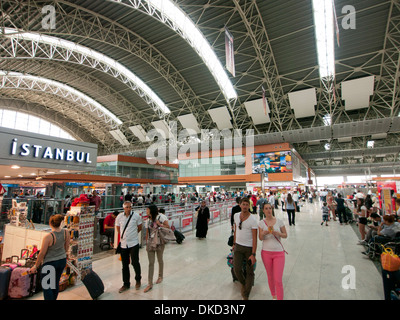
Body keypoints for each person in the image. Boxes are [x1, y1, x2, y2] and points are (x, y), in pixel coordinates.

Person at [29, 214, 69, 300]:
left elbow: (42, 253)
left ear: (50, 223)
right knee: (55, 283)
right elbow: (66, 248)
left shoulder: (48, 236)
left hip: (50, 263)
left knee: (47, 286)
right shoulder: (66, 232)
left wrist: (35, 266)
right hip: (62, 260)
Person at [258, 203, 287, 300]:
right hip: (266, 253)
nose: (268, 210)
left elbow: (285, 235)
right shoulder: (261, 223)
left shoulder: (279, 221)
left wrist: (278, 233)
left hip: (279, 253)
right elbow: (260, 238)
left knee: (278, 279)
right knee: (270, 276)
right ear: (263, 211)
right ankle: (274, 295)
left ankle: (280, 298)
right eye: (266, 208)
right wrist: (264, 233)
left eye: (270, 208)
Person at [232, 198, 258, 300]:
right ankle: (244, 283)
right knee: (237, 269)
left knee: (249, 271)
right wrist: (234, 243)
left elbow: (255, 238)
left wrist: (253, 254)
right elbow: (236, 230)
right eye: (243, 204)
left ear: (249, 206)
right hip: (238, 246)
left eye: (247, 204)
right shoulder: (236, 216)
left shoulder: (253, 219)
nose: (245, 206)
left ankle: (246, 293)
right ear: (240, 205)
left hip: (249, 248)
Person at [116, 201, 142, 293]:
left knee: (135, 262)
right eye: (127, 207)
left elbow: (139, 227)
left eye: (130, 207)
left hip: (134, 243)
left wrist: (133, 235)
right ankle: (126, 283)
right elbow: (118, 228)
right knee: (124, 265)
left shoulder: (136, 216)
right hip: (124, 244)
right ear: (123, 207)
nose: (128, 209)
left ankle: (138, 280)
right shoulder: (119, 217)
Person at [144, 205, 170, 293]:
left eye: (147, 209)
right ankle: (150, 283)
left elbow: (168, 227)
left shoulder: (161, 217)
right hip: (150, 242)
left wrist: (160, 224)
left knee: (160, 259)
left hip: (159, 242)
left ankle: (160, 276)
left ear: (151, 210)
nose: (146, 211)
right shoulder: (147, 220)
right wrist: (147, 242)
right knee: (151, 263)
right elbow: (147, 231)